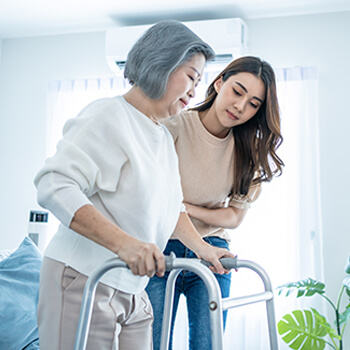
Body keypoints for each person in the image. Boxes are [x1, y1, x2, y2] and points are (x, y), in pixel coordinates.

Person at [34, 20, 235, 350]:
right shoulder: (109, 116)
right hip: (82, 277)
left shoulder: (160, 136)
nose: (194, 90)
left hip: (132, 287)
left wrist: (204, 249)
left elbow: (171, 210)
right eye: (190, 76)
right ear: (162, 61)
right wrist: (124, 244)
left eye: (199, 82)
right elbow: (55, 184)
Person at [146, 55, 284, 350]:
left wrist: (183, 206)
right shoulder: (174, 126)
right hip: (159, 246)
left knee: (208, 345)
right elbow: (154, 201)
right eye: (237, 91)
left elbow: (234, 217)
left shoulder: (249, 151)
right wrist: (193, 210)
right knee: (152, 344)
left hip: (213, 250)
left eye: (253, 104)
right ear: (219, 82)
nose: (240, 107)